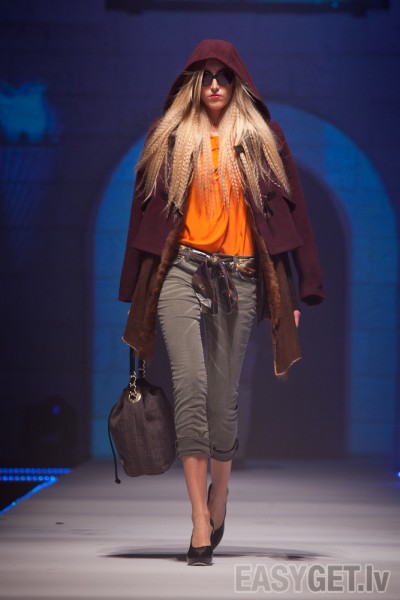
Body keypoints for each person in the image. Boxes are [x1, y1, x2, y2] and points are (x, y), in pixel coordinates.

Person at [119, 39, 324, 566]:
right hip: (181, 271)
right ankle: (197, 520)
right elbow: (142, 216)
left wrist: (298, 288)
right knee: (189, 387)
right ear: (192, 83)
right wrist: (135, 289)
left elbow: (292, 214)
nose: (214, 85)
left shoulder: (262, 138)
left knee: (222, 399)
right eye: (205, 76)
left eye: (223, 76)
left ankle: (221, 494)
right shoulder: (169, 137)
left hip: (242, 275)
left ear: (237, 83)